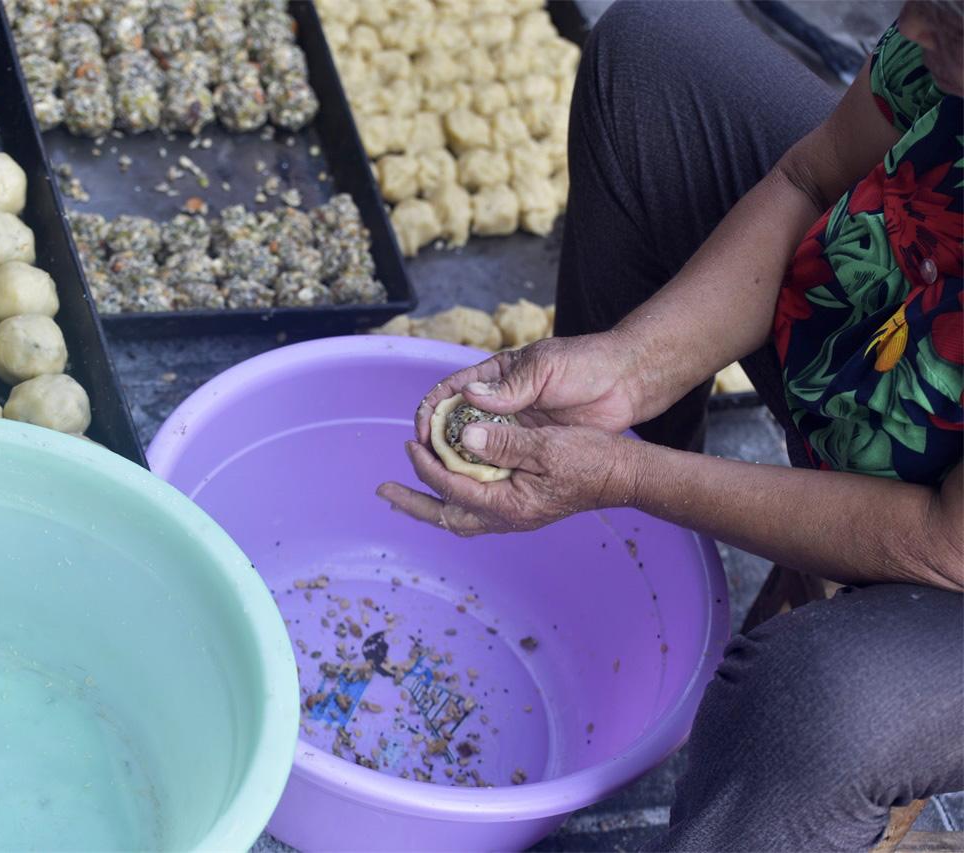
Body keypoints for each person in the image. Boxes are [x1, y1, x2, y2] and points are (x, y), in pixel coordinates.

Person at [378, 1, 963, 849]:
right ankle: (625, 580)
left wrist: (627, 474)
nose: (914, 29)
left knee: (812, 709)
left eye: (954, 26)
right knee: (652, 59)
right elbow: (812, 178)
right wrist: (629, 365)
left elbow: (943, 543)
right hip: (901, 349)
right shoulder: (935, 35)